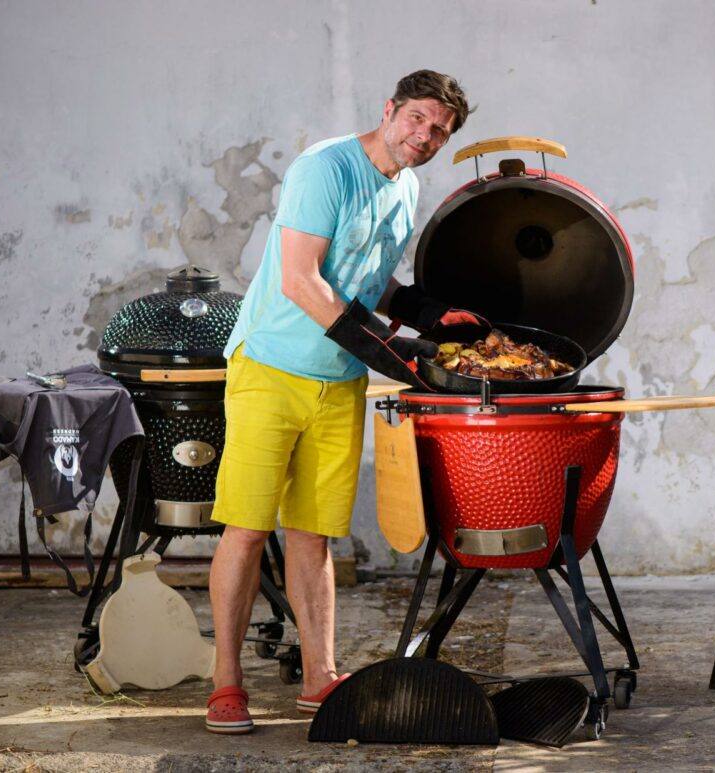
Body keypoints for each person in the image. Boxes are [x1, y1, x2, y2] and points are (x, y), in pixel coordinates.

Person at [204, 70, 480, 734]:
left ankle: (320, 677)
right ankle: (225, 683)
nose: (426, 135)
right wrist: (396, 355)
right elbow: (302, 279)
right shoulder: (324, 168)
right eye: (417, 118)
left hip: (339, 376)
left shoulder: (407, 188)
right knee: (246, 529)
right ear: (389, 111)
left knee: (314, 533)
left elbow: (366, 275)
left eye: (439, 129)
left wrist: (423, 311)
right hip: (272, 365)